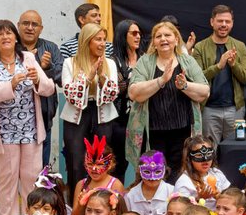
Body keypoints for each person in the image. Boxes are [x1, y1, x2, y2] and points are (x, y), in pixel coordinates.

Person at [0, 19, 56, 215]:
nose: (5, 37)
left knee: (31, 180)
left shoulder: (28, 58)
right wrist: (9, 85)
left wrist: (38, 79)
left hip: (30, 130)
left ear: (15, 37)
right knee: (7, 181)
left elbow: (49, 89)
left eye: (9, 33)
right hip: (4, 133)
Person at [126, 20, 209, 180]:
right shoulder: (145, 61)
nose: (163, 39)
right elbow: (134, 93)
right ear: (154, 42)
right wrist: (161, 80)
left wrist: (185, 86)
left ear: (176, 39)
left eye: (168, 35)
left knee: (179, 174)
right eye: (158, 36)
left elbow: (204, 91)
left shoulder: (187, 61)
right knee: (154, 173)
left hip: (182, 131)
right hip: (153, 132)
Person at [61, 23, 121, 188]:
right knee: (76, 161)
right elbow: (70, 94)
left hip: (103, 115)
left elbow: (112, 94)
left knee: (101, 159)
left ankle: (100, 199)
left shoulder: (110, 63)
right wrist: (88, 77)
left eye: (104, 39)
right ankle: (76, 205)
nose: (103, 44)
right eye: (98, 39)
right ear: (87, 41)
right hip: (76, 116)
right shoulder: (69, 63)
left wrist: (101, 76)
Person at [192, 4, 246, 145]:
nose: (224, 25)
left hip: (235, 109)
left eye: (227, 21)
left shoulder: (240, 46)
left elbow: (245, 78)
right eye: (220, 21)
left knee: (235, 150)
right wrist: (219, 66)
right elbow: (197, 79)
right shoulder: (200, 47)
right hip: (209, 109)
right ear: (212, 22)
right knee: (210, 150)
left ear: (232, 23)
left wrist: (233, 64)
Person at [17, 10, 62, 166]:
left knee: (40, 169)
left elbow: (62, 77)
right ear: (18, 26)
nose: (30, 27)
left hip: (43, 117)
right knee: (12, 170)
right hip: (14, 121)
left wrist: (47, 68)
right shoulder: (11, 48)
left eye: (34, 24)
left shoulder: (50, 48)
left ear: (41, 28)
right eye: (26, 23)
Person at [112, 18, 144, 167]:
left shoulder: (146, 60)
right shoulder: (113, 61)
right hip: (120, 121)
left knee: (145, 166)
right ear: (123, 35)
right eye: (134, 33)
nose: (138, 36)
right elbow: (116, 90)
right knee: (118, 167)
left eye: (139, 33)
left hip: (144, 120)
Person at [126, 150, 176, 215]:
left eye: (157, 171)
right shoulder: (131, 195)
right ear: (140, 171)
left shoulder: (171, 191)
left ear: (164, 170)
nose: (152, 177)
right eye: (147, 171)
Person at [173, 135, 231, 212]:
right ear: (189, 158)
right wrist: (199, 198)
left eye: (208, 154)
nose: (205, 160)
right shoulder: (184, 181)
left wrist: (219, 196)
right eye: (199, 155)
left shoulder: (217, 173)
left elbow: (231, 200)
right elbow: (180, 210)